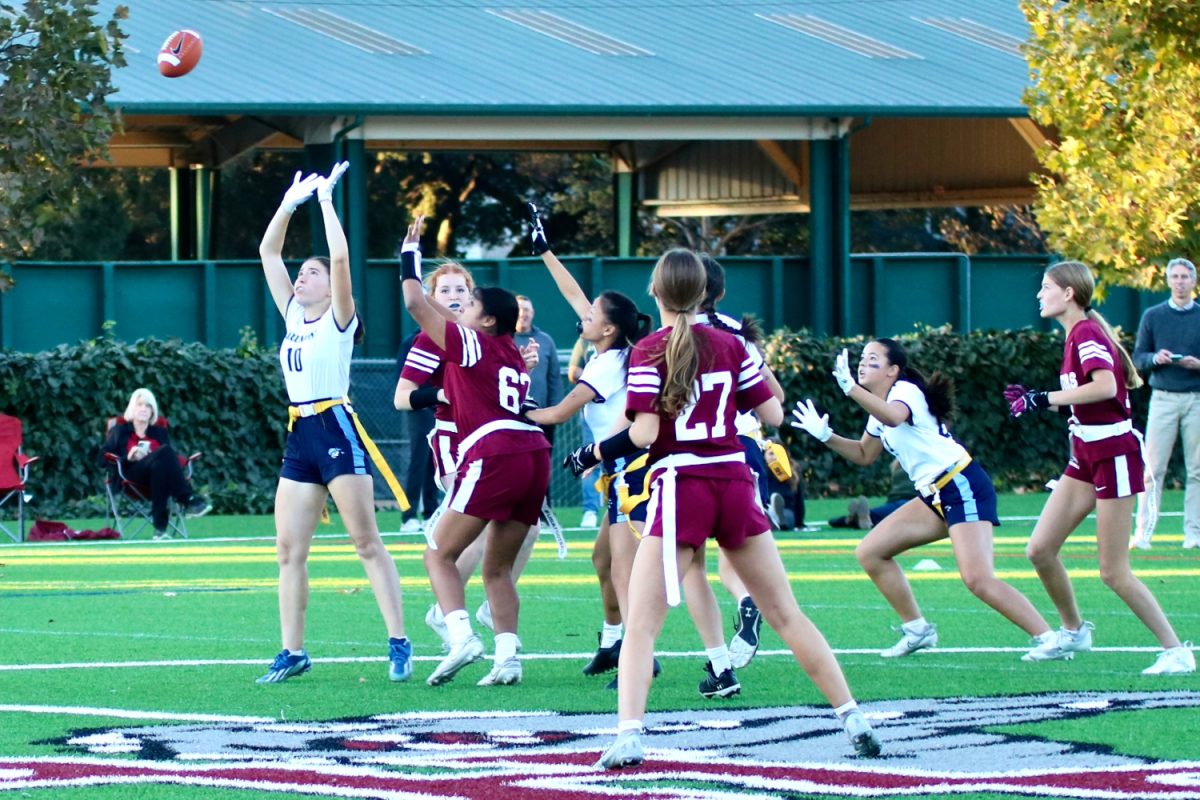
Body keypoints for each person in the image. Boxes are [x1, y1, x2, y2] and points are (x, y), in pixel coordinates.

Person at [571, 248, 880, 768]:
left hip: (680, 484)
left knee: (642, 624)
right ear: (705, 293)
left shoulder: (648, 349)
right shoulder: (734, 344)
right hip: (735, 480)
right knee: (786, 613)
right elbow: (774, 412)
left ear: (655, 291)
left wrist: (593, 453)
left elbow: (644, 434)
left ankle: (628, 735)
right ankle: (854, 718)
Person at [525, 206, 733, 698]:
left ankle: (641, 655)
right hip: (628, 465)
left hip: (632, 466)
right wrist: (544, 252)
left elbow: (555, 415)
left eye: (593, 316)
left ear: (609, 328)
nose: (584, 316)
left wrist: (507, 408)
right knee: (603, 560)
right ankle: (616, 641)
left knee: (627, 566)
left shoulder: (607, 365)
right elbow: (576, 295)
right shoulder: (612, 348)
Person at [792, 338, 1054, 660]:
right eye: (862, 358)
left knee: (978, 579)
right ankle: (917, 630)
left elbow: (894, 417)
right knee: (870, 553)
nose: (862, 364)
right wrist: (824, 436)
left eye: (872, 359)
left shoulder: (904, 391)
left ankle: (1048, 637)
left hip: (959, 483)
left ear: (893, 370)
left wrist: (850, 389)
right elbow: (864, 453)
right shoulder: (880, 405)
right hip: (932, 493)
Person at [256, 164, 412, 684]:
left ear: (330, 287)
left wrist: (325, 203)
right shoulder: (293, 315)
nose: (302, 275)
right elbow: (268, 253)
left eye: (312, 273)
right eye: (302, 272)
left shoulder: (337, 317)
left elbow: (341, 257)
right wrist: (288, 203)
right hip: (301, 434)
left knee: (365, 541)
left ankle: (398, 640)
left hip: (336, 426)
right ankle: (292, 651)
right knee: (287, 549)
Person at [1006, 260, 1195, 674]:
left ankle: (1176, 650)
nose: (1039, 294)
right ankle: (1074, 631)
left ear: (1068, 293)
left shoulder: (1086, 332)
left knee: (1113, 571)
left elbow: (1106, 385)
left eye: (1046, 286)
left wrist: (1044, 398)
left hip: (1113, 455)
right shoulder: (1078, 333)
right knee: (1039, 549)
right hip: (1086, 456)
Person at [400, 215, 551, 687]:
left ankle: (460, 634)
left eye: (471, 300)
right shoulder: (511, 351)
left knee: (438, 554)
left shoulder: (470, 341)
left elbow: (412, 302)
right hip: (533, 453)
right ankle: (508, 658)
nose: (462, 303)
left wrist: (410, 254)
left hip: (494, 450)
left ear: (486, 319)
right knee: (498, 567)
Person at [1131, 257, 1200, 550]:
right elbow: (1138, 357)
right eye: (1176, 276)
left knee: (1197, 470)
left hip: (1196, 398)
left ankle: (1193, 533)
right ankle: (1144, 533)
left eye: (1186, 277)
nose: (1180, 282)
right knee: (1152, 469)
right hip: (1163, 398)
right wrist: (1154, 359)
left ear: (1194, 281)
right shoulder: (1153, 315)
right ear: (1168, 281)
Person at [101, 387, 210, 540]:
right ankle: (188, 499)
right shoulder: (119, 431)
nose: (144, 409)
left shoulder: (159, 432)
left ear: (153, 411)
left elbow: (171, 459)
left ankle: (160, 529)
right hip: (130, 476)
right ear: (132, 407)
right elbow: (102, 458)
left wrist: (183, 461)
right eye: (140, 405)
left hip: (157, 478)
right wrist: (129, 456)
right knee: (164, 451)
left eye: (148, 406)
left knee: (160, 465)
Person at [395, 332, 440, 533]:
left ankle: (431, 513)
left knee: (435, 461)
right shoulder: (412, 340)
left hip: (441, 407)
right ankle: (409, 516)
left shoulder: (445, 336)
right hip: (420, 408)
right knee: (419, 460)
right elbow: (402, 382)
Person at [513, 295, 563, 443]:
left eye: (527, 310)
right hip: (512, 415)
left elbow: (554, 379)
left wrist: (555, 411)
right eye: (520, 309)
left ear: (533, 313)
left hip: (542, 416)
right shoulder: (504, 339)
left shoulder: (545, 341)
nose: (523, 314)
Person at [568, 335, 602, 528]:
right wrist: (597, 376)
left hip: (622, 411)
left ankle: (631, 505)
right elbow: (573, 372)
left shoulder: (626, 340)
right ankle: (590, 510)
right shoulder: (585, 341)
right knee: (591, 462)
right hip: (592, 411)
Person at [828, 459, 917, 530]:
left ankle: (849, 519)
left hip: (896, 500)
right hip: (912, 502)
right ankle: (862, 519)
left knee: (887, 515)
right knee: (893, 517)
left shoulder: (899, 464)